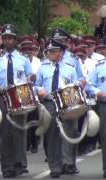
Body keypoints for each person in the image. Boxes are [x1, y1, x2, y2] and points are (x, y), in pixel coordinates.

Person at [0, 24, 34, 178]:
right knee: (5, 132)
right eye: (5, 38)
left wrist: (31, 78)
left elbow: (31, 77)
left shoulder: (23, 59)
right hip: (3, 98)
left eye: (11, 38)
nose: (8, 41)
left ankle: (20, 164)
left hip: (20, 97)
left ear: (16, 40)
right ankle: (7, 166)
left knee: (19, 131)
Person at [35, 39, 78, 178]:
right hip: (49, 103)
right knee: (52, 135)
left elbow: (75, 86)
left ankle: (67, 162)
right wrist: (39, 90)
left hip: (66, 103)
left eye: (54, 51)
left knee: (68, 132)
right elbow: (35, 85)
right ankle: (54, 166)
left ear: (61, 52)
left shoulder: (70, 68)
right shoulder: (43, 67)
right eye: (49, 51)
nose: (50, 54)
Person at [87, 55, 106, 178]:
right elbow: (89, 85)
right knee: (105, 138)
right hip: (104, 104)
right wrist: (97, 91)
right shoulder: (100, 66)